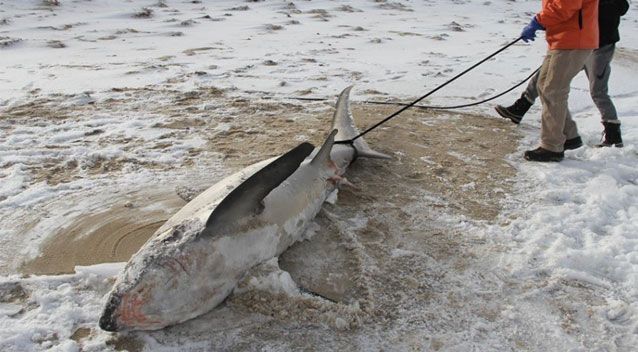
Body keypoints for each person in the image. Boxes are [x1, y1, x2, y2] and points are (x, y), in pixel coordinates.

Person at [496, 0, 629, 151]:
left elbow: (566, 6)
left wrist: (540, 20)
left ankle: (612, 134)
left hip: (594, 44)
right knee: (545, 80)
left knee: (595, 91)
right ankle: (523, 109)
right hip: (570, 38)